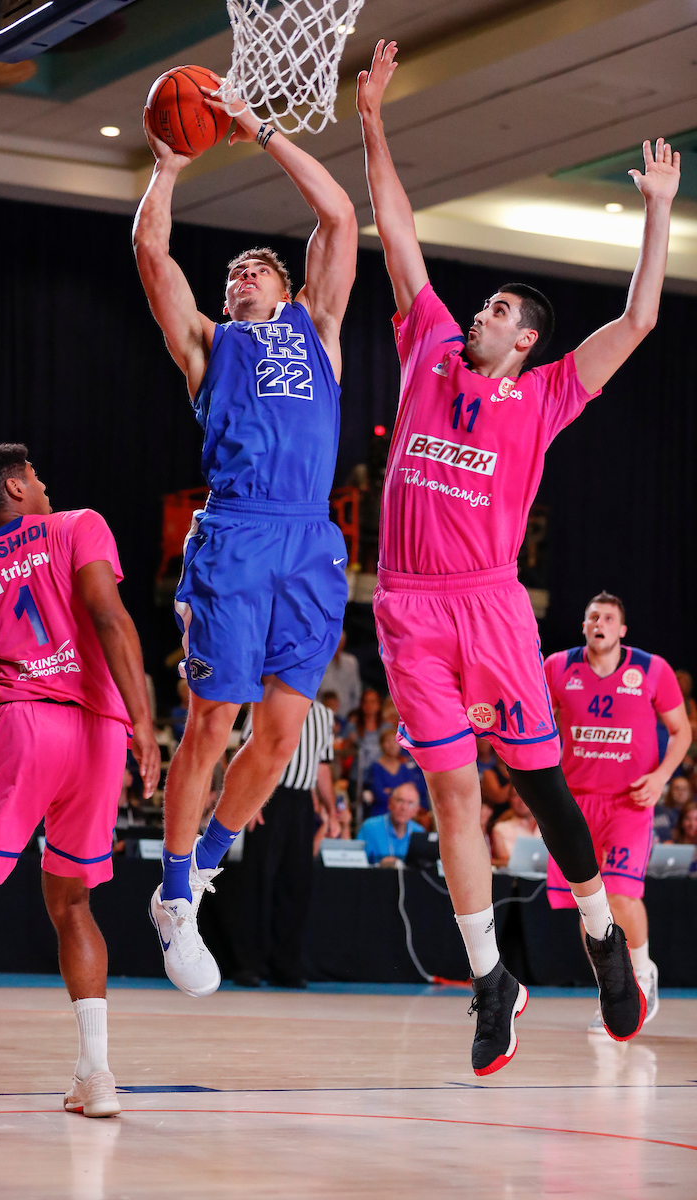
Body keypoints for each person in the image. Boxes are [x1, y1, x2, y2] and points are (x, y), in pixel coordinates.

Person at [357, 39, 681, 1074]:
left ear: (526, 340)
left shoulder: (541, 397)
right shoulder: (426, 348)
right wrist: (371, 117)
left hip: (489, 606)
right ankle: (490, 980)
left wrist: (655, 210)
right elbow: (397, 230)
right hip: (407, 607)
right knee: (453, 795)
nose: (479, 311)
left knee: (539, 795)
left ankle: (598, 938)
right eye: (481, 304)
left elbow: (636, 319)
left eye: (499, 309)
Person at [133, 88, 357, 999]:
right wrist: (170, 167)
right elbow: (152, 251)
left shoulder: (321, 329)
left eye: (253, 271)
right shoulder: (207, 344)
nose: (239, 280)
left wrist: (260, 130)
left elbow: (338, 215)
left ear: (287, 286)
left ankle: (209, 857)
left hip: (309, 540)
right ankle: (175, 893)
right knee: (213, 724)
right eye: (231, 277)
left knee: (280, 736)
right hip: (233, 532)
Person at [0, 444, 160, 1122]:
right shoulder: (78, 525)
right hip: (98, 733)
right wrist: (144, 723)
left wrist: (28, 667)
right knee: (73, 904)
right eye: (36, 475)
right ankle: (96, 1074)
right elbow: (109, 617)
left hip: (26, 725)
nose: (45, 483)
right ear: (14, 487)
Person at [545, 592, 690, 1032]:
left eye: (609, 617)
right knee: (590, 907)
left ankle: (642, 974)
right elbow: (533, 722)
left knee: (623, 895)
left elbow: (681, 731)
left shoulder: (651, 669)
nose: (600, 622)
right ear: (584, 626)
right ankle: (613, 993)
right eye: (593, 616)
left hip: (629, 801)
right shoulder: (557, 667)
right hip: (575, 803)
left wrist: (662, 776)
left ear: (622, 629)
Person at [232, 698, 338, 988]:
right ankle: (249, 964)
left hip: (302, 803)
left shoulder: (324, 715)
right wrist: (249, 802)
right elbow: (246, 752)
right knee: (258, 881)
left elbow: (322, 767)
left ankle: (286, 966)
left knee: (295, 884)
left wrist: (330, 808)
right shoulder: (265, 702)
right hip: (267, 796)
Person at [365, 727, 428, 816]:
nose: (392, 745)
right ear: (381, 744)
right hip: (381, 814)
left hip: (403, 814)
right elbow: (380, 796)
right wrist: (400, 795)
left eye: (395, 742)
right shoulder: (375, 768)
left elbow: (411, 793)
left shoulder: (404, 768)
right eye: (388, 741)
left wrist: (390, 791)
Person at [359, 783, 425, 866]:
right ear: (390, 803)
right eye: (400, 800)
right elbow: (356, 865)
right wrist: (379, 865)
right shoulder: (370, 827)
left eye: (410, 803)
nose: (404, 807)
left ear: (416, 810)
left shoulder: (419, 832)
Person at [490, 791, 541, 868]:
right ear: (509, 800)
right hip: (514, 878)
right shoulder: (501, 828)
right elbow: (503, 861)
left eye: (525, 795)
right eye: (516, 795)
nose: (522, 799)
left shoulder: (549, 827)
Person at [319, 631, 362, 719]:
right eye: (335, 642)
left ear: (344, 643)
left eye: (340, 642)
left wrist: (355, 713)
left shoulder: (351, 662)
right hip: (323, 711)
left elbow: (356, 690)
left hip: (346, 713)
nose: (337, 645)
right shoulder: (321, 661)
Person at [653, 776, 693, 843]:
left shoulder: (694, 812)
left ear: (689, 792)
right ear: (670, 790)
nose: (681, 792)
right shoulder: (658, 811)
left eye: (684, 789)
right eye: (677, 788)